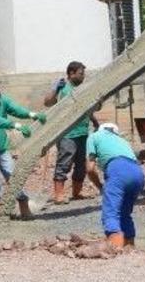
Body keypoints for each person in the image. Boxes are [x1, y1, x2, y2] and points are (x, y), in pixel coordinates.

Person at [0, 76, 47, 219]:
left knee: (13, 176)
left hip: (1, 147)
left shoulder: (3, 101)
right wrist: (15, 125)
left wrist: (32, 114)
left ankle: (24, 206)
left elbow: (16, 109)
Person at [43, 61, 99, 204]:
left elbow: (85, 108)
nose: (83, 76)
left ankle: (76, 192)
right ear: (71, 73)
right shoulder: (64, 89)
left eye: (83, 74)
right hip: (67, 134)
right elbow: (48, 103)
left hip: (82, 132)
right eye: (81, 74)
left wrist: (94, 120)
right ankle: (59, 195)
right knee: (64, 163)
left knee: (81, 165)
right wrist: (55, 89)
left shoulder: (82, 89)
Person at [86, 122, 145, 248]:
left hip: (118, 169)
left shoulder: (94, 136)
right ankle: (130, 247)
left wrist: (100, 186)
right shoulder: (122, 140)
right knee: (124, 213)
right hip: (138, 173)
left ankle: (115, 250)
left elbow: (90, 169)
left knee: (111, 213)